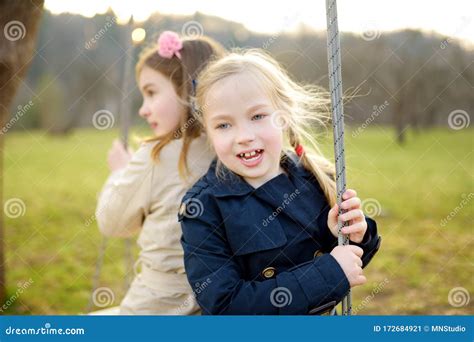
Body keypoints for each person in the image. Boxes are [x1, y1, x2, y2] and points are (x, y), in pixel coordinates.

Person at [178, 50, 381, 315]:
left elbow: (348, 263)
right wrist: (329, 271)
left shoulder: (314, 177)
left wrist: (356, 236)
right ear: (208, 131)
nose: (244, 136)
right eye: (224, 125)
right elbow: (225, 305)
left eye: (257, 116)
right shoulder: (203, 207)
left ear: (283, 116)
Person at [96, 31, 225, 314]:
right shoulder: (232, 153)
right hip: (217, 307)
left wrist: (119, 173)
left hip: (154, 310)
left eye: (151, 92)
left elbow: (112, 222)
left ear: (186, 91)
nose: (143, 110)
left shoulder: (155, 156)